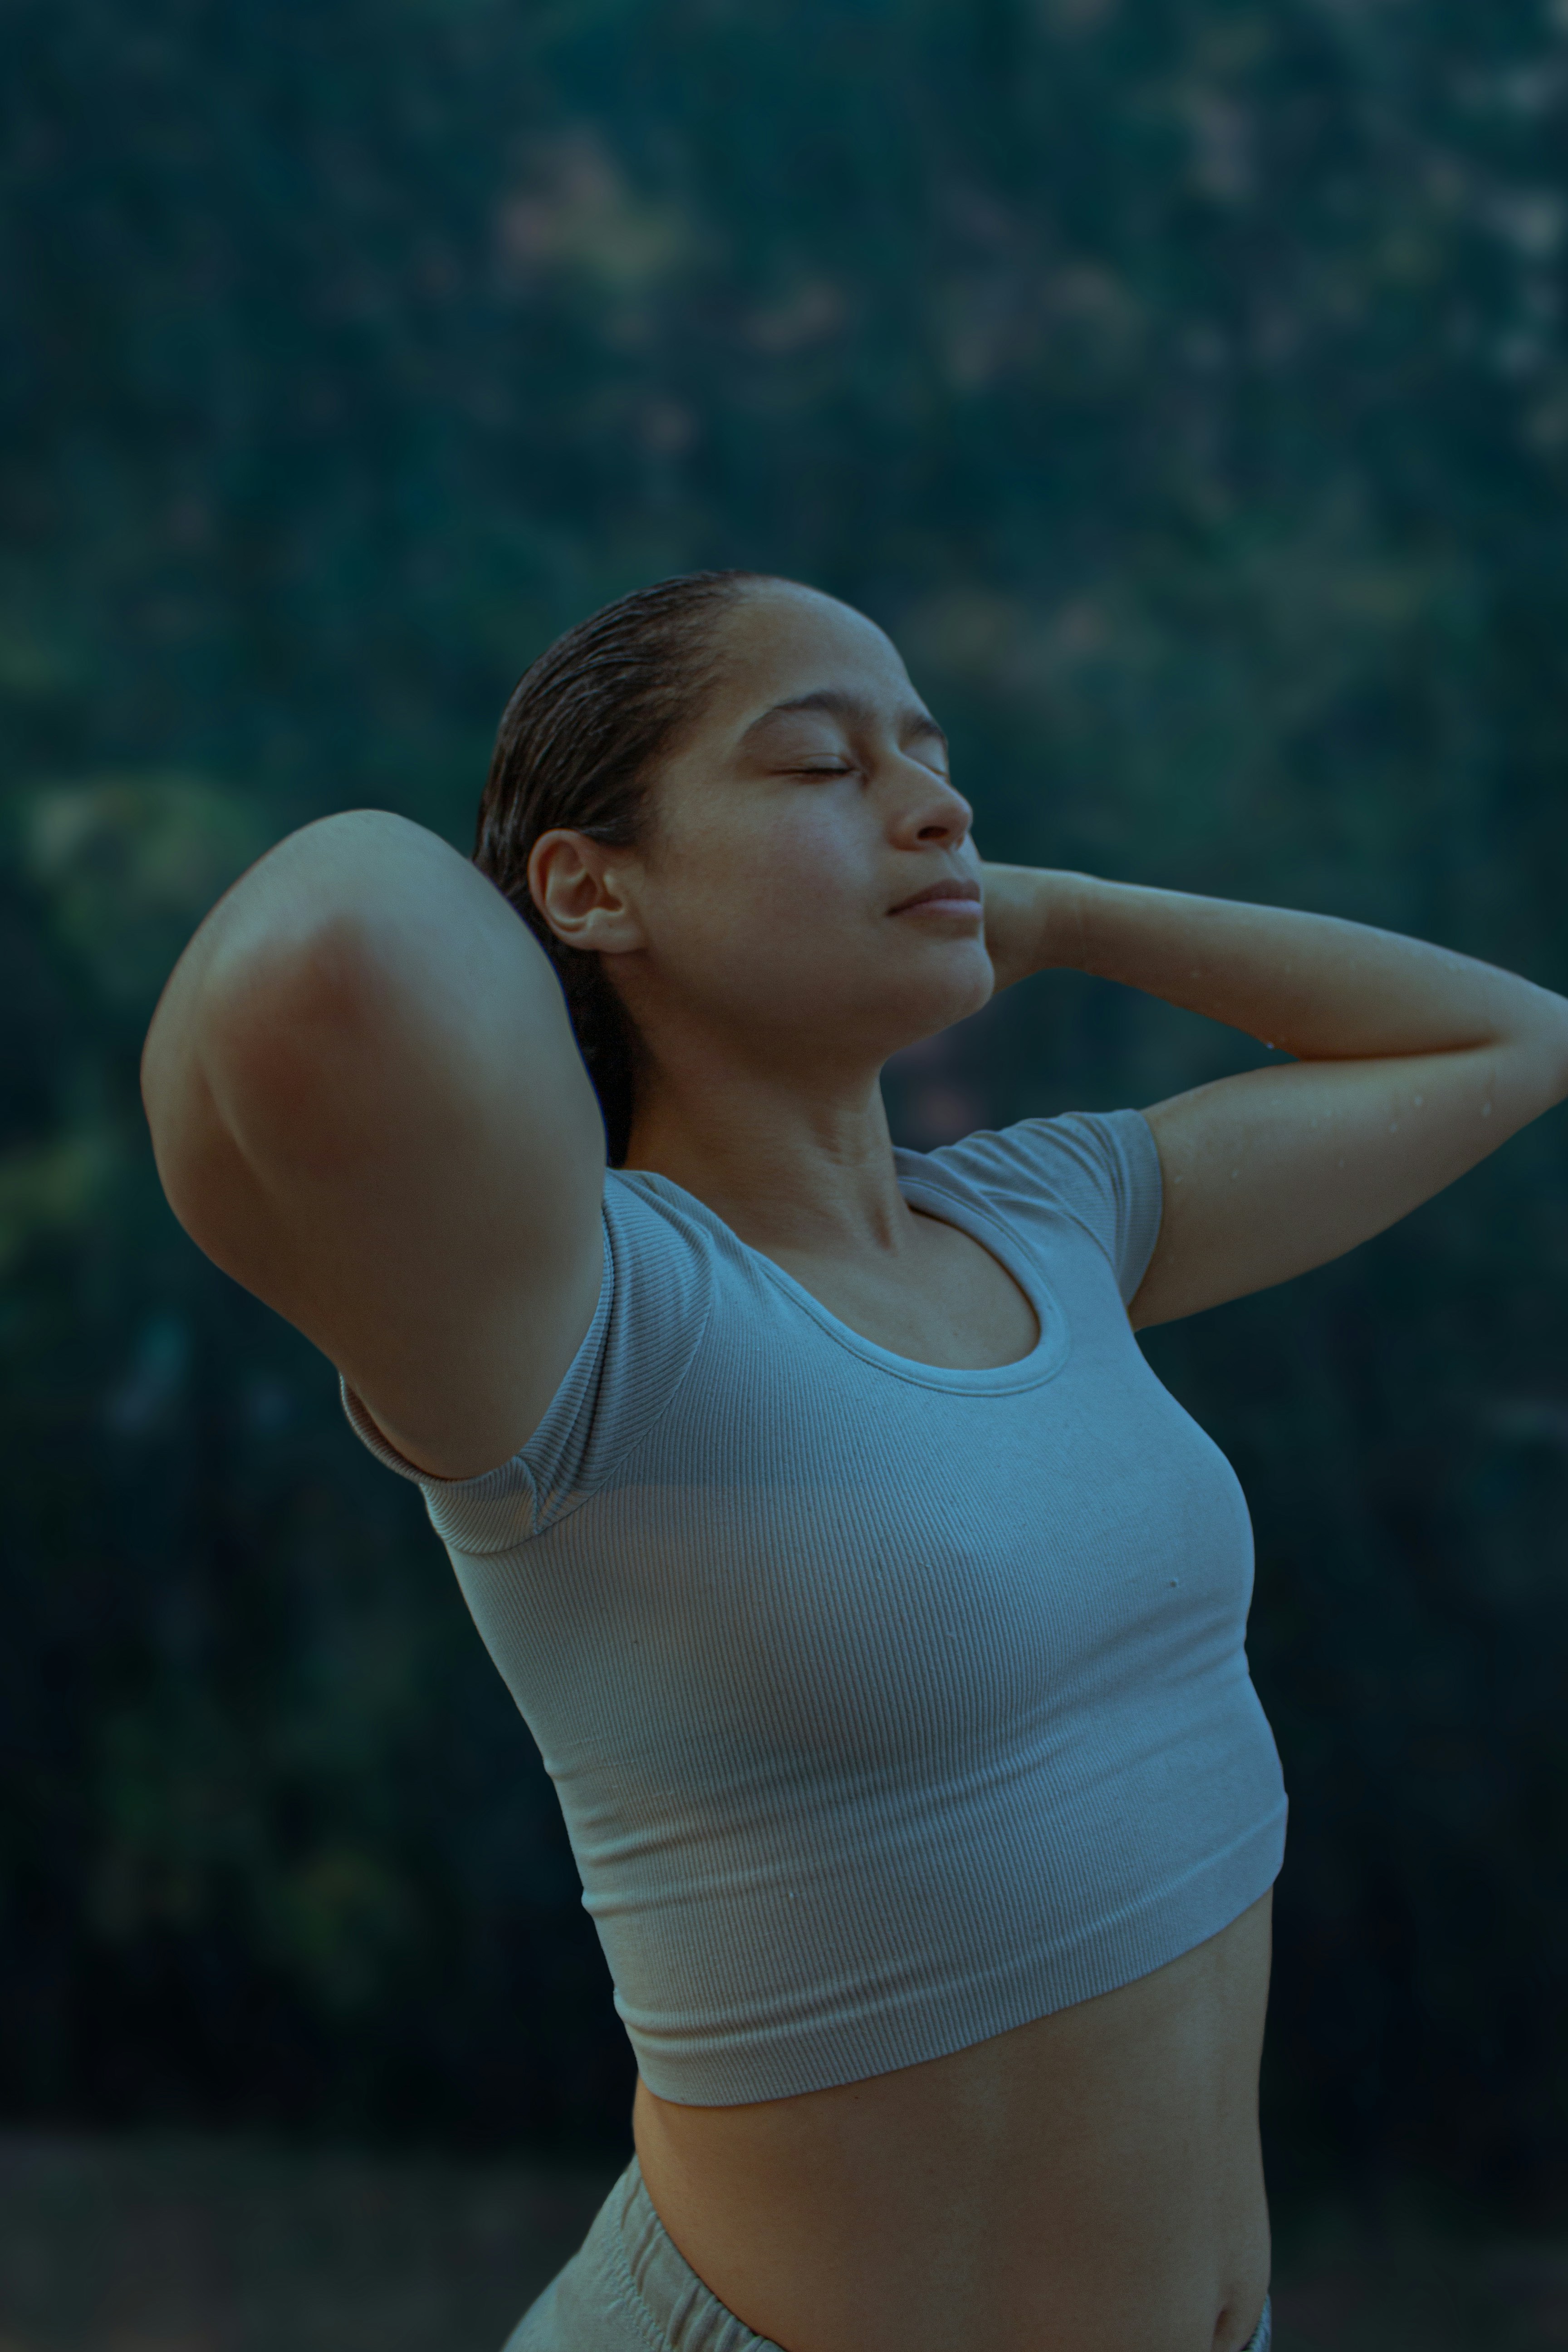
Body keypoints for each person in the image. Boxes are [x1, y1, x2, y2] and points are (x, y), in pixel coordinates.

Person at [140, 570, 1568, 2352]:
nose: (933, 803)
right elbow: (321, 953)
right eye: (821, 765)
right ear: (592, 887)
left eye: (933, 757)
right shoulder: (586, 1320)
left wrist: (1047, 909)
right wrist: (552, 940)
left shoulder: (1052, 1216)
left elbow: (1512, 1040)